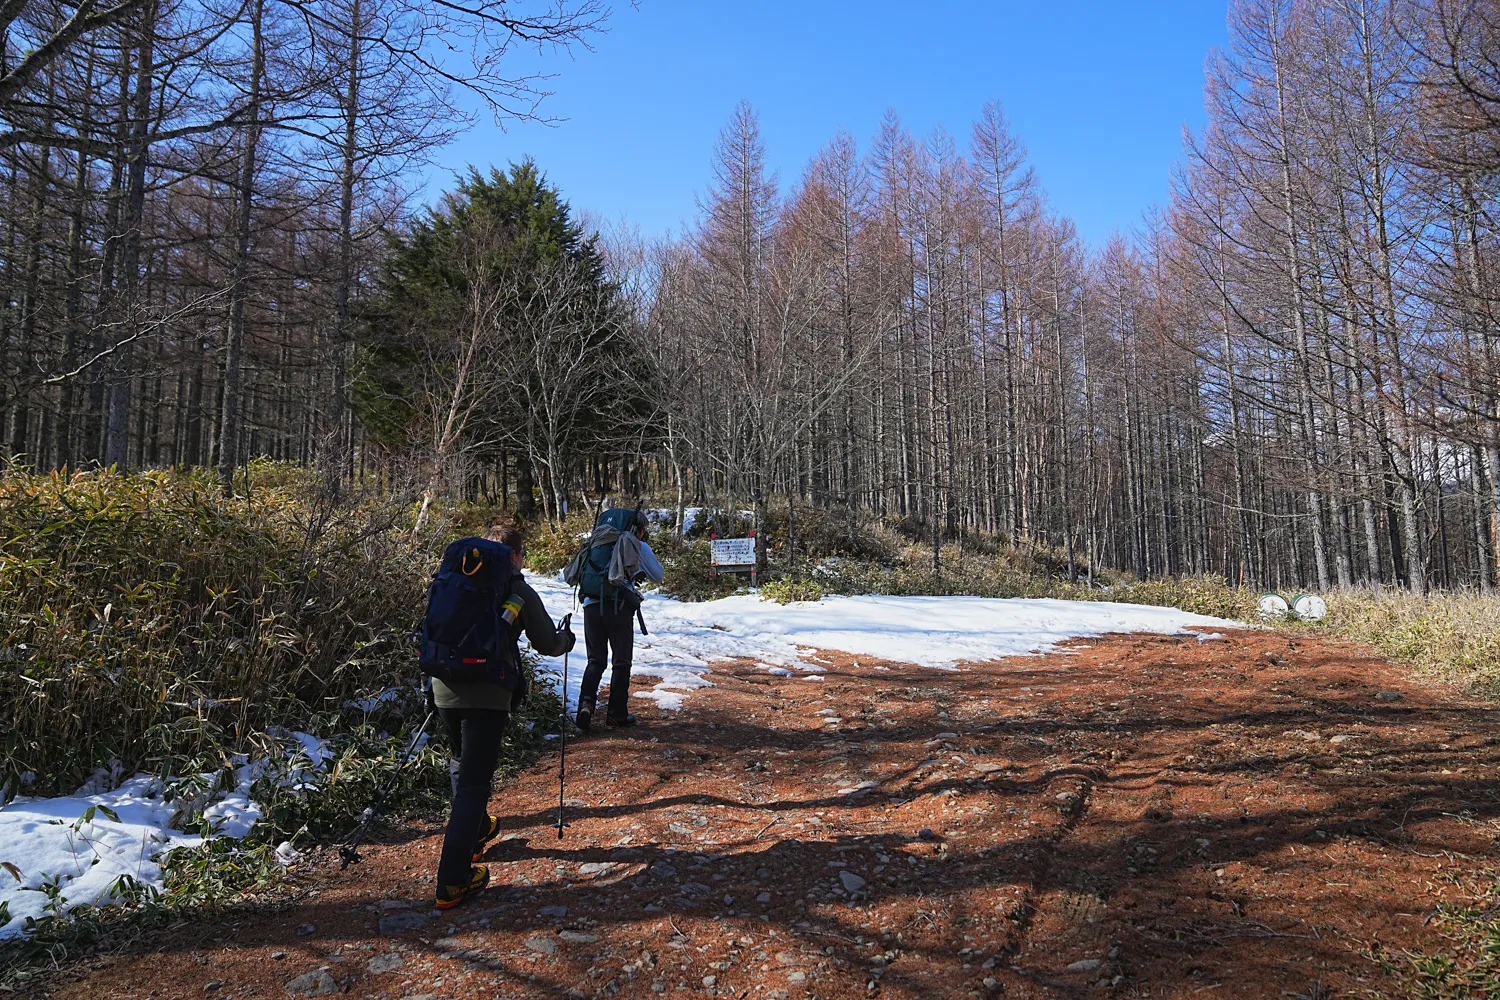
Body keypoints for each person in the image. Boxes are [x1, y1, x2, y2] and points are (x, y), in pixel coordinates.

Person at [431, 525, 574, 910]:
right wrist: (567, 640)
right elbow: (547, 643)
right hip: (487, 693)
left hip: (442, 686)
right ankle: (452, 880)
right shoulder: (514, 586)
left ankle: (476, 833)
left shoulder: (455, 574)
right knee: (474, 784)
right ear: (514, 555)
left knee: (461, 760)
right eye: (523, 556)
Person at [575, 509, 665, 732]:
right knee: (621, 662)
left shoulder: (596, 542)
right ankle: (616, 714)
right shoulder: (635, 544)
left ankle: (585, 705)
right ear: (639, 529)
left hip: (591, 605)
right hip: (619, 608)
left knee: (595, 660)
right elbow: (658, 575)